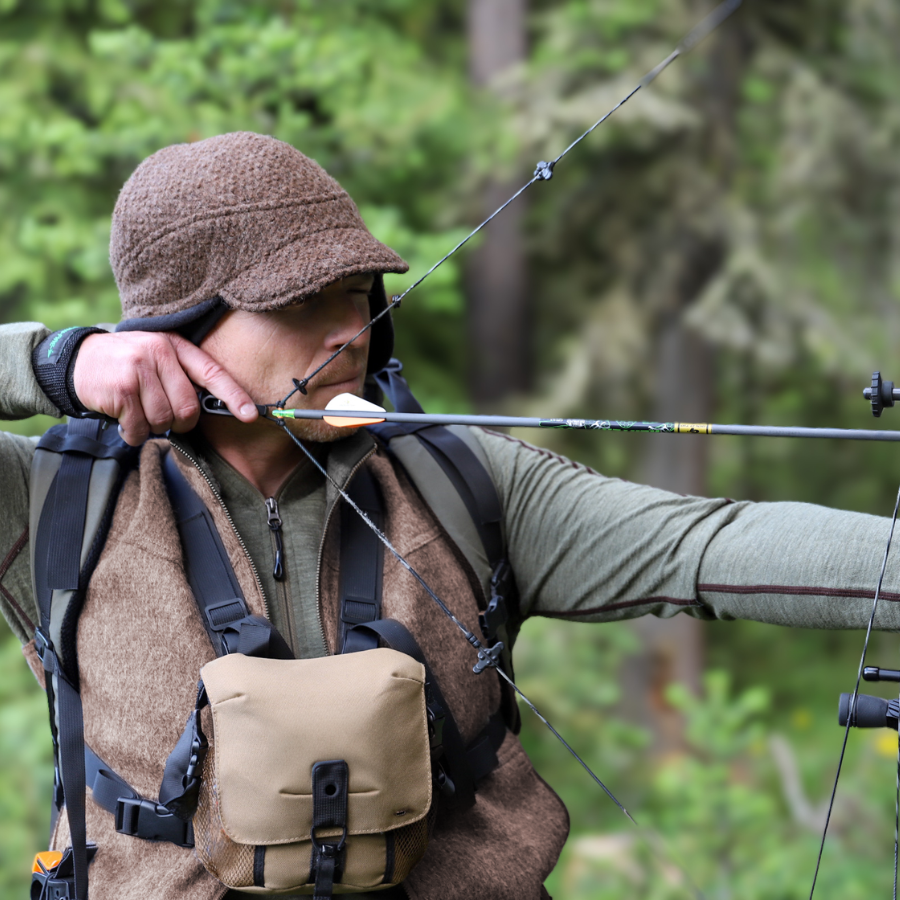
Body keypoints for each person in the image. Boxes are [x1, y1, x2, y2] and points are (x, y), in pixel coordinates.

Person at [1, 131, 898, 900]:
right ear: (174, 328)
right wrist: (48, 364)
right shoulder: (56, 503)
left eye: (356, 292)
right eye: (298, 302)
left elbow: (709, 547)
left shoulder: (461, 484)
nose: (346, 328)